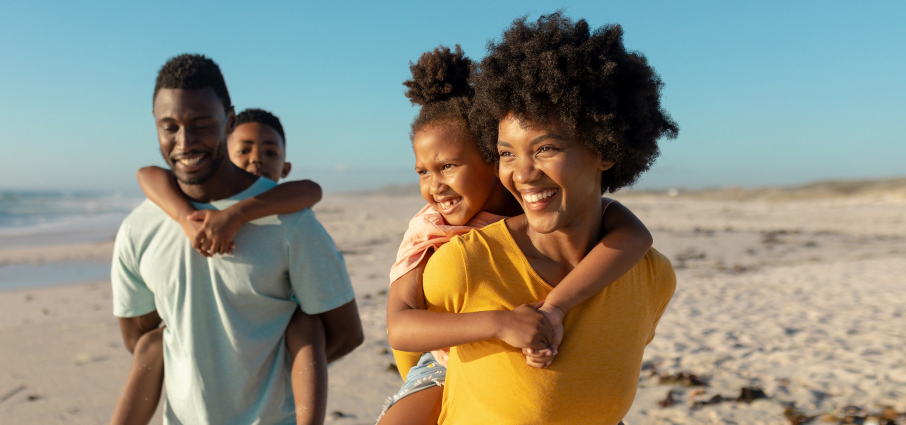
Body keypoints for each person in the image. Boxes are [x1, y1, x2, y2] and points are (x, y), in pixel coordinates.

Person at [415, 13, 679, 424]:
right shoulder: (464, 266)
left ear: (606, 149)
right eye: (506, 153)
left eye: (546, 148)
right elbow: (410, 355)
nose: (521, 174)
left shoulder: (652, 278)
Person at [111, 53, 362, 425]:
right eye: (170, 127)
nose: (185, 142)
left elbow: (344, 333)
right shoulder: (138, 228)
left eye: (201, 124)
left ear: (229, 120)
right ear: (155, 124)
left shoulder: (290, 223)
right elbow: (143, 342)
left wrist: (270, 379)